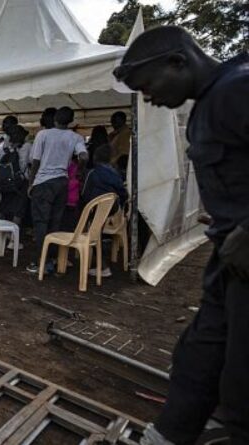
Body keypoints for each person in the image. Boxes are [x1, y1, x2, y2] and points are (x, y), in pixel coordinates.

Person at [113, 25, 249, 445]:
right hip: (229, 262)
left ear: (178, 61)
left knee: (243, 384)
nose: (148, 98)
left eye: (148, 85)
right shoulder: (205, 108)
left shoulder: (237, 90)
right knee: (198, 358)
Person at [26, 106, 88, 274]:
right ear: (71, 121)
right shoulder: (76, 137)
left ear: (55, 119)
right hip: (62, 183)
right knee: (55, 223)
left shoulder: (43, 135)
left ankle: (41, 262)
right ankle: (52, 260)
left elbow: (36, 162)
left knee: (40, 223)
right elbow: (84, 156)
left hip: (43, 182)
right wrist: (80, 170)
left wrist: (31, 184)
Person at [79, 144, 127, 279]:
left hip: (94, 210)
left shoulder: (92, 173)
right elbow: (123, 193)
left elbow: (84, 194)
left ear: (94, 157)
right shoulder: (115, 174)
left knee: (91, 230)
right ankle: (103, 255)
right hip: (112, 210)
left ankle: (103, 266)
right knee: (97, 230)